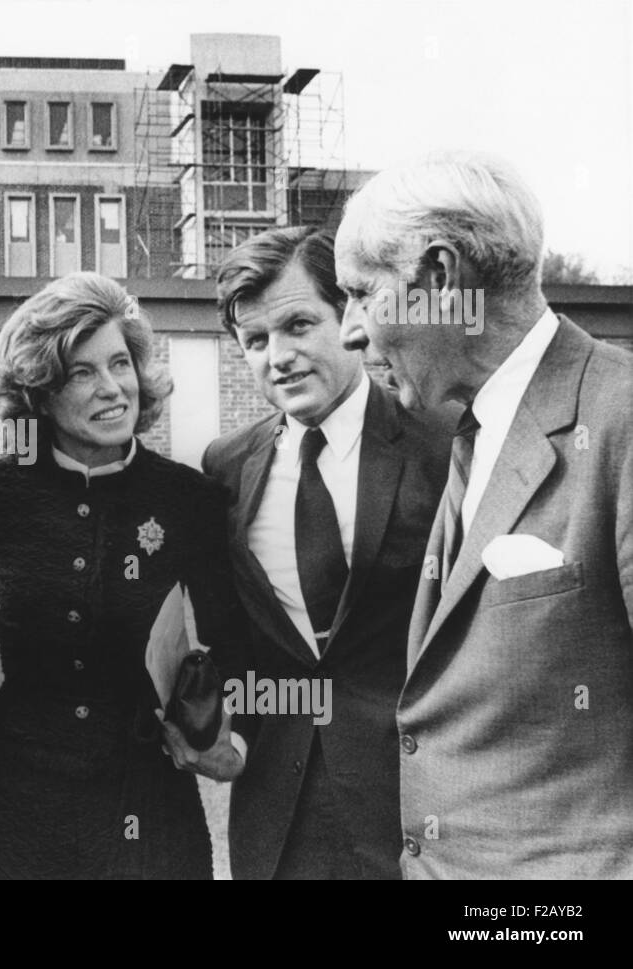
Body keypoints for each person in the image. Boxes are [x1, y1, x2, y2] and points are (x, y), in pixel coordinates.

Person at [336, 150, 633, 878]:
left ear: (439, 277)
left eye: (359, 293)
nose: (348, 330)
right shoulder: (471, 430)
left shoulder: (620, 416)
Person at [0, 271, 247, 880]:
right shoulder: (3, 490)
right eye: (82, 372)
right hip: (25, 798)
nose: (113, 388)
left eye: (120, 363)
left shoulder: (186, 497)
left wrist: (225, 734)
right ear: (40, 392)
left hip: (145, 792)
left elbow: (234, 639)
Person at [204, 227, 449, 879]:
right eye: (255, 340)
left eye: (298, 325)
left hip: (420, 815)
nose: (277, 355)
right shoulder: (225, 467)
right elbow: (237, 641)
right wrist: (225, 730)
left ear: (348, 316)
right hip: (277, 826)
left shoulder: (446, 443)